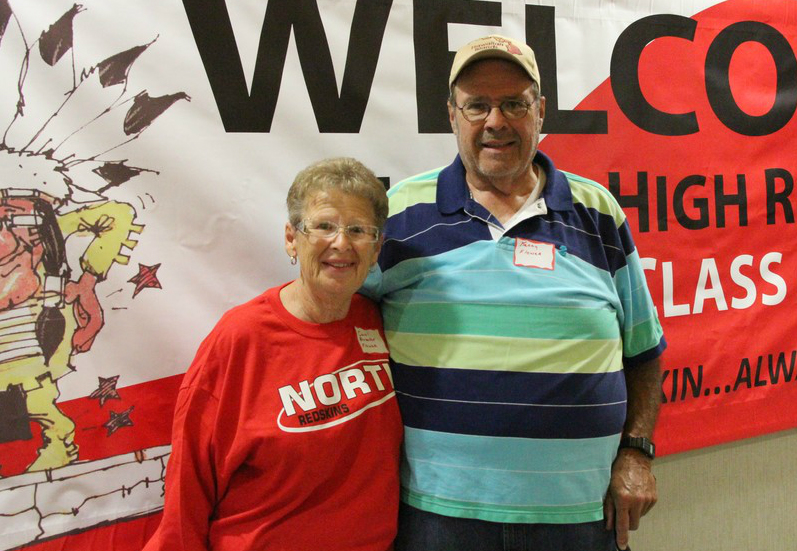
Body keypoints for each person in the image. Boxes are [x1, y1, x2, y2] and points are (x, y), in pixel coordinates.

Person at [361, 35, 665, 551]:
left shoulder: (598, 213)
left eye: (514, 104)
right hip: (439, 515)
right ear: (452, 115)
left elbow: (644, 351)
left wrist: (636, 451)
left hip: (582, 513)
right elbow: (344, 331)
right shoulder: (400, 214)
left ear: (540, 111)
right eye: (477, 105)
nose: (495, 121)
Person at [143, 157, 403, 551]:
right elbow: (189, 482)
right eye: (324, 226)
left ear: (376, 247)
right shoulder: (241, 338)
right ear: (291, 238)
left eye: (357, 230)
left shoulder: (379, 321)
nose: (341, 243)